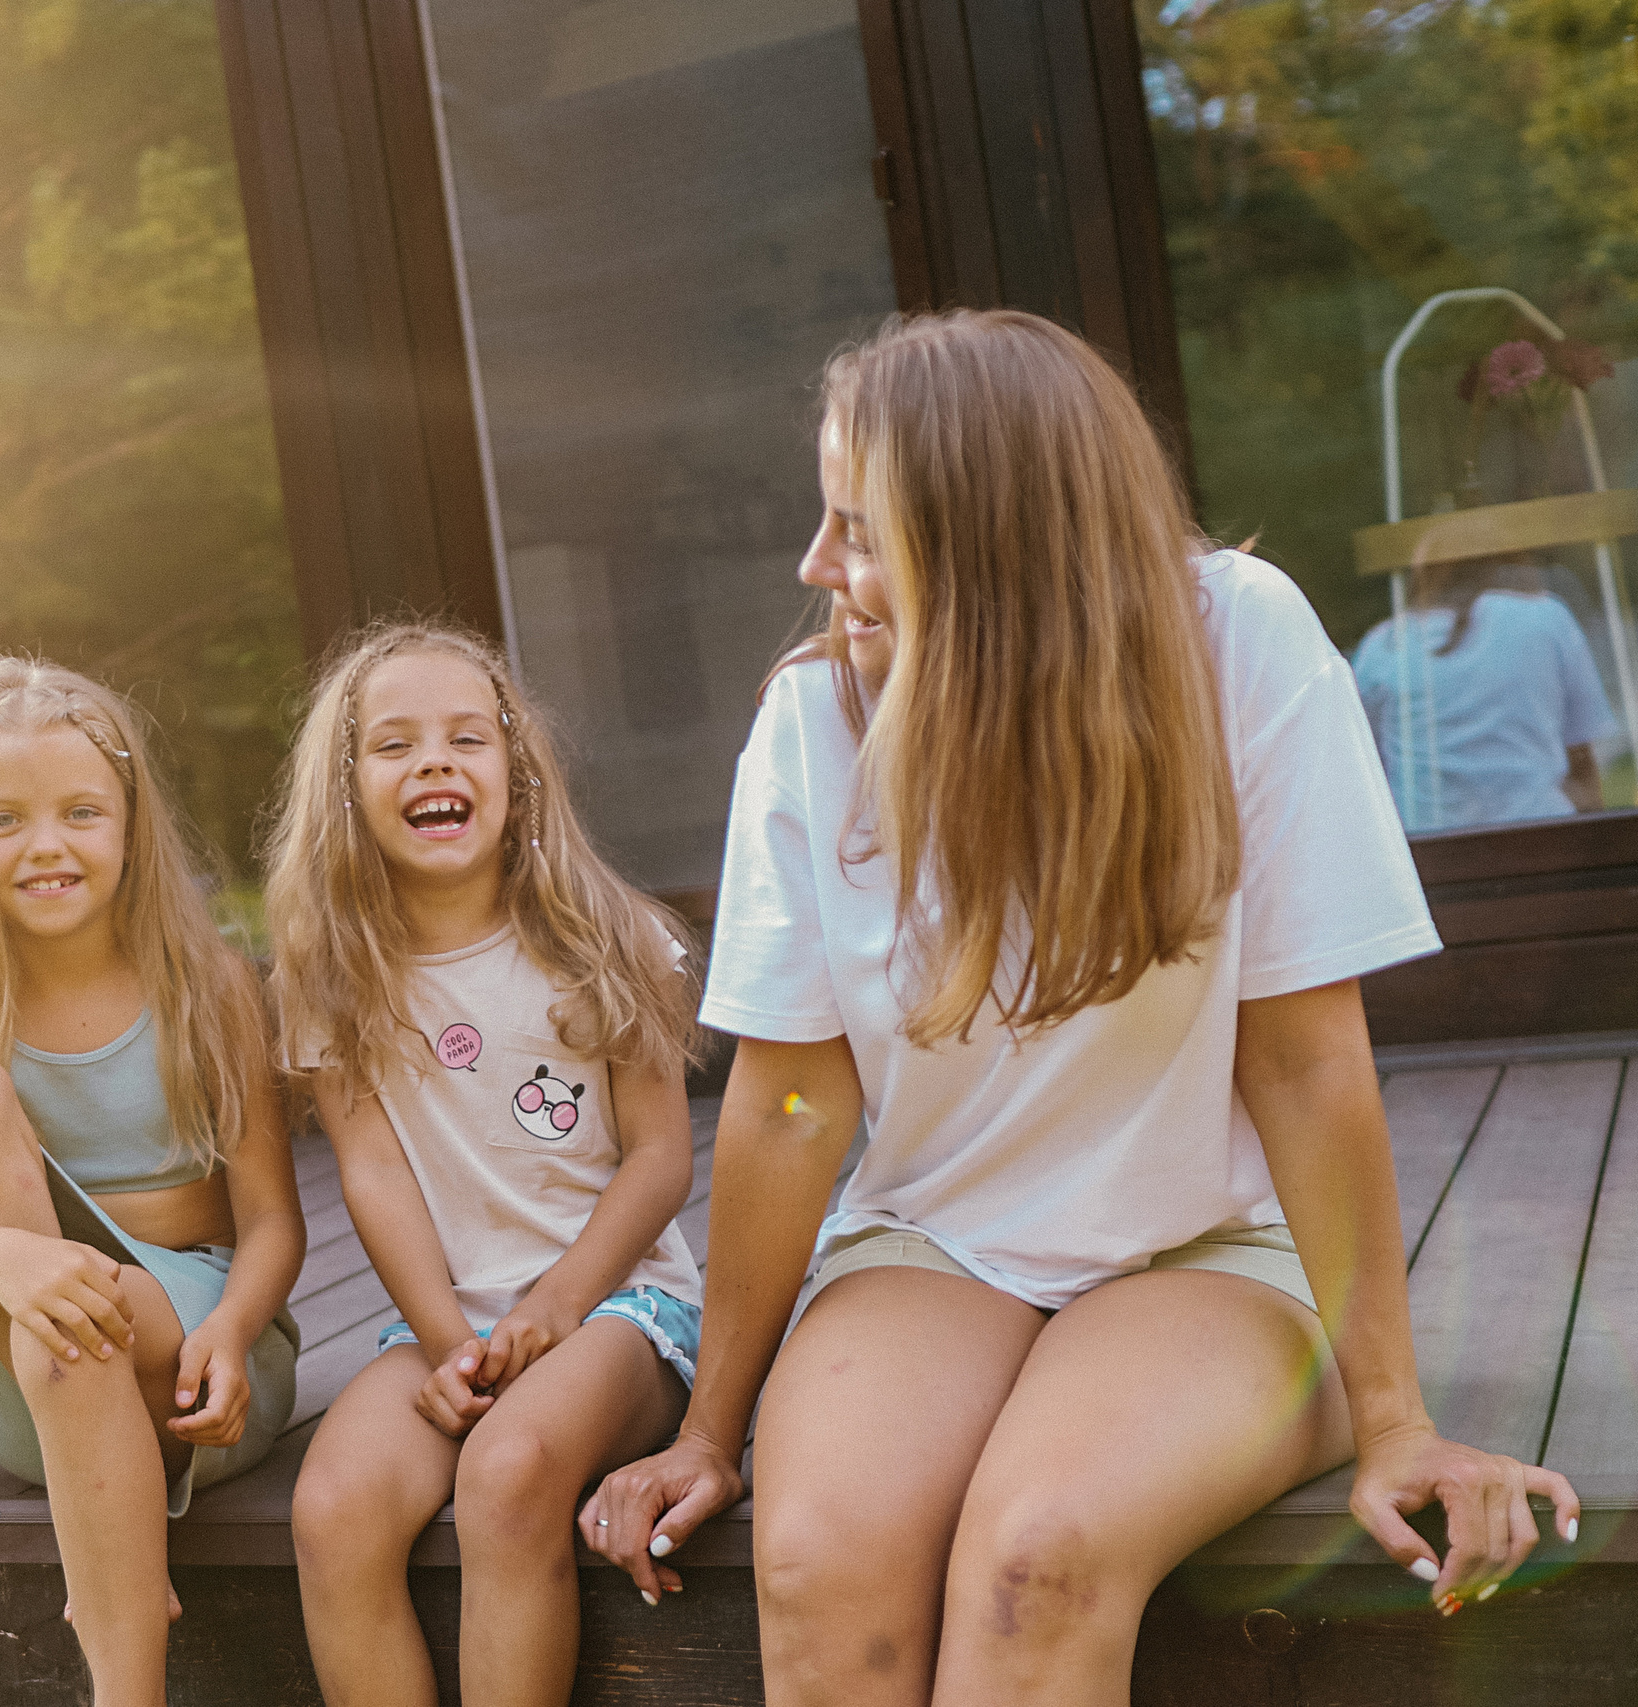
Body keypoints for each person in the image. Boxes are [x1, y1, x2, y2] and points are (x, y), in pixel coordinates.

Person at [584, 311, 1582, 1707]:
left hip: (1215, 1245)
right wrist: (709, 1427)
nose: (818, 570)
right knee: (818, 1558)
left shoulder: (1237, 638)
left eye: (858, 528)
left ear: (990, 536)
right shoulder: (813, 725)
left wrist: (1394, 1418)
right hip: (935, 1238)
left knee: (1035, 1559)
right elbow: (788, 1100)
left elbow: (1303, 1062)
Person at [271, 621, 704, 1707]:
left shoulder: (609, 938)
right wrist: (447, 1342)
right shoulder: (330, 973)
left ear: (516, 772)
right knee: (333, 1508)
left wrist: (559, 1303)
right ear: (344, 790)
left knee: (507, 1472)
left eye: (468, 737)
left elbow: (660, 1159)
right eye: (394, 745)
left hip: (620, 1311)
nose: (434, 763)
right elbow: (371, 1173)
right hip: (444, 1323)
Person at [0, 658, 303, 1707]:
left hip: (200, 1367)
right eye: (5, 819)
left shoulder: (206, 992)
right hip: (29, 1393)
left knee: (84, 1322)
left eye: (80, 812)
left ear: (131, 825)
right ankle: (124, 1630)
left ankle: (121, 1683)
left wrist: (234, 1330)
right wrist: (7, 1257)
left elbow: (274, 1222)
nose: (46, 844)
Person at [1351, 554, 1619, 830]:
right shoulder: (1545, 618)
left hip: (1425, 850)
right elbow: (1581, 762)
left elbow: (1363, 771)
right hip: (1542, 839)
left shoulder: (1383, 644)